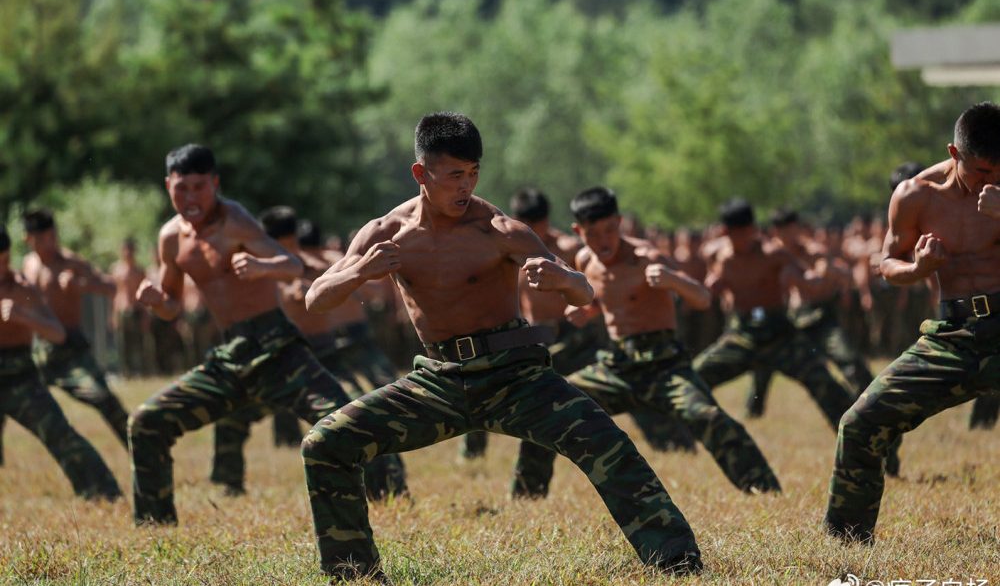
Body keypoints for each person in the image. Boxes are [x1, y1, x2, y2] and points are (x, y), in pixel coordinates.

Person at [302, 112, 702, 580]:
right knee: (326, 443)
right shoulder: (385, 234)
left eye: (473, 173)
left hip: (516, 377)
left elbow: (583, 293)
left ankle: (677, 560)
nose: (465, 186)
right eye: (454, 175)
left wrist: (564, 278)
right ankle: (353, 574)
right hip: (438, 381)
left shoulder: (498, 229)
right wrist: (359, 273)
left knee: (605, 441)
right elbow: (315, 299)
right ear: (420, 174)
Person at [128, 143, 352, 525]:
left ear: (215, 183)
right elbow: (172, 307)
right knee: (147, 422)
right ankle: (155, 524)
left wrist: (261, 266)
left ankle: (388, 491)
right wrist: (155, 300)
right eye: (181, 188)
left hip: (277, 347)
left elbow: (293, 264)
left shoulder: (235, 221)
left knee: (346, 423)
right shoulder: (170, 238)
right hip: (231, 354)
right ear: (168, 186)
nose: (190, 197)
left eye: (199, 187)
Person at [511, 187, 780, 499]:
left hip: (665, 366)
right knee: (547, 409)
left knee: (707, 415)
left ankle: (764, 489)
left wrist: (672, 280)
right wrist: (586, 310)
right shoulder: (585, 259)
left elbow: (703, 298)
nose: (603, 241)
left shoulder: (647, 258)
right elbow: (606, 299)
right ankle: (527, 495)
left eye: (610, 230)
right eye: (593, 233)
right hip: (618, 366)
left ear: (621, 223)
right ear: (577, 231)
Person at [825, 102, 1000, 543]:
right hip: (956, 335)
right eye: (981, 171)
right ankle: (846, 541)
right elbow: (887, 263)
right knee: (860, 424)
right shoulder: (915, 196)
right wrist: (919, 268)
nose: (991, 180)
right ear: (953, 154)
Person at [209, 207, 406, 499]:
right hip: (281, 360)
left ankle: (390, 487)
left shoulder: (313, 266)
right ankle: (230, 484)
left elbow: (332, 283)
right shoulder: (259, 269)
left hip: (324, 359)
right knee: (232, 414)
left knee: (358, 416)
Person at [692, 199, 856, 434]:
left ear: (753, 229)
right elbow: (707, 294)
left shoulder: (774, 254)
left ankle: (863, 442)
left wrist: (819, 275)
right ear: (725, 232)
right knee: (693, 381)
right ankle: (688, 439)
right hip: (742, 335)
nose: (744, 239)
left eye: (747, 232)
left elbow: (810, 283)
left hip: (780, 334)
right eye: (736, 234)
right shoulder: (721, 257)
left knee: (826, 385)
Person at [0, 224, 121, 500]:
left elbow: (56, 332)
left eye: (5, 261)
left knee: (58, 433)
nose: (2, 270)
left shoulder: (21, 287)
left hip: (19, 377)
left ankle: (103, 492)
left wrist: (22, 315)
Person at [22, 209, 131, 448]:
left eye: (51, 237)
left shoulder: (71, 262)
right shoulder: (28, 264)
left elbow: (110, 287)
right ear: (28, 239)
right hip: (39, 348)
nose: (46, 244)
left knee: (105, 399)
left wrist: (82, 285)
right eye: (39, 239)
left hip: (71, 348)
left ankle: (141, 449)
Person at [111, 238, 150, 377]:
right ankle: (125, 372)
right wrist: (113, 315)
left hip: (136, 310)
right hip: (122, 310)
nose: (127, 253)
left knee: (138, 343)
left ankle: (139, 371)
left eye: (130, 250)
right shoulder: (116, 270)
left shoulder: (139, 271)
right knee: (123, 344)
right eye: (125, 250)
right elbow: (114, 294)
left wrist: (145, 315)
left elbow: (144, 294)